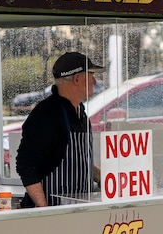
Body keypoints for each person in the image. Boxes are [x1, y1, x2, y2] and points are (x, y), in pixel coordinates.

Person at [15, 52, 104, 207]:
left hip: (78, 211)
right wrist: (44, 210)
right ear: (77, 78)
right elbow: (26, 165)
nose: (95, 81)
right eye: (91, 75)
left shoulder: (80, 113)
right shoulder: (46, 115)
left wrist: (104, 178)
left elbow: (79, 161)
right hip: (53, 214)